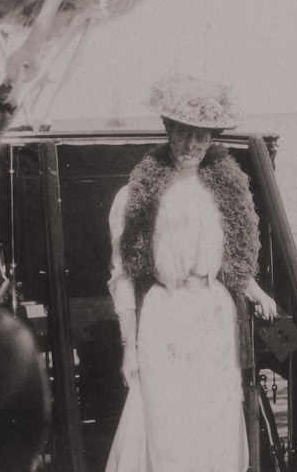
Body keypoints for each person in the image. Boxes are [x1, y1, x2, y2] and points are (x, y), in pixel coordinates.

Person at [105, 74, 277, 472]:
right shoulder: (135, 196)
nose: (191, 146)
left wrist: (255, 291)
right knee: (168, 426)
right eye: (183, 134)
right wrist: (129, 348)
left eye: (201, 137)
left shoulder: (224, 192)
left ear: (211, 139)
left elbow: (233, 257)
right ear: (168, 131)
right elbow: (123, 276)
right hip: (165, 316)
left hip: (214, 317)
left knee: (213, 424)